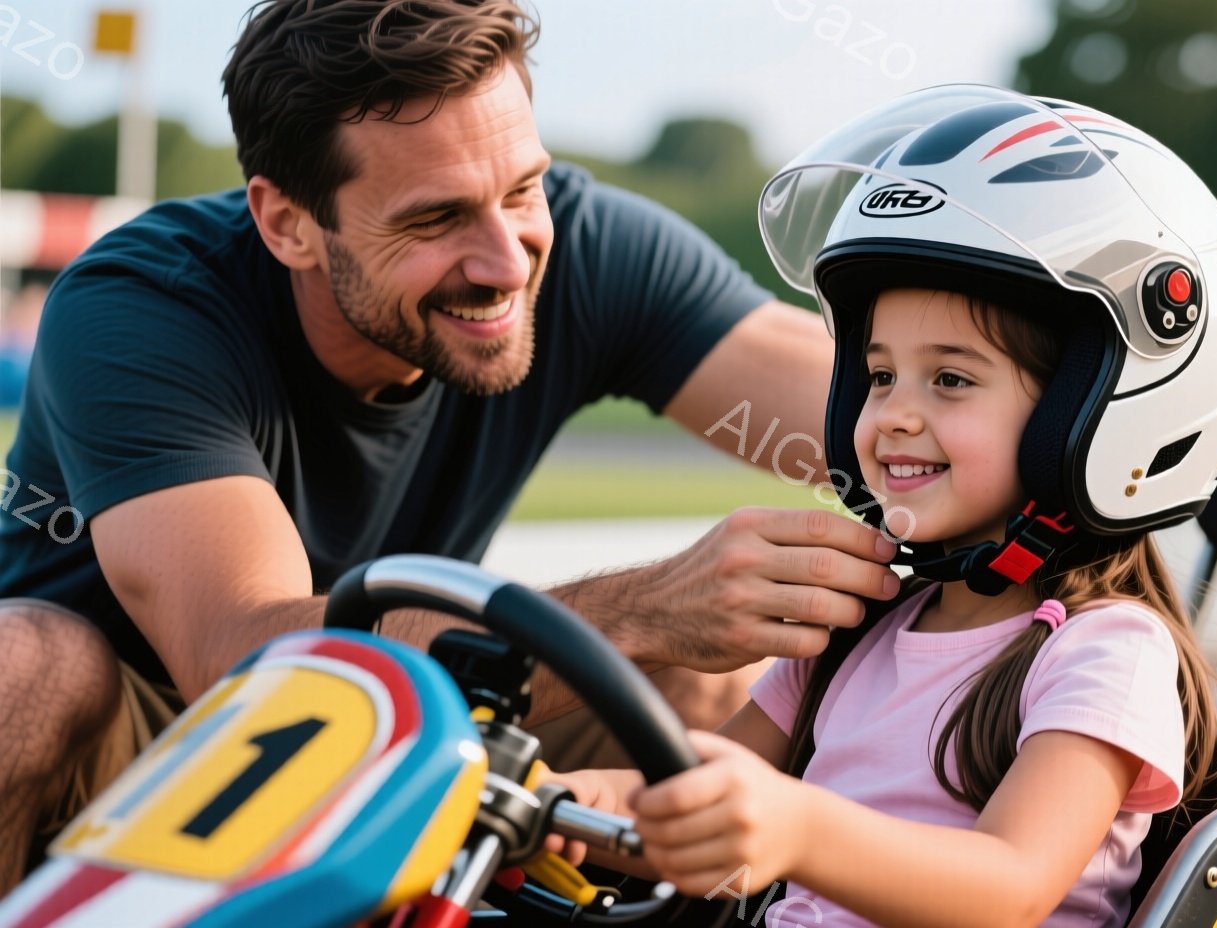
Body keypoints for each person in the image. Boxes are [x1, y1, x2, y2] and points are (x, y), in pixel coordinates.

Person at [0, 0, 903, 892]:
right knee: (25, 663)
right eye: (435, 220)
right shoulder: (143, 307)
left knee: (715, 689)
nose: (507, 262)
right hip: (150, 749)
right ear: (287, 223)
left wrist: (1033, 429)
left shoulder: (587, 248)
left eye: (522, 188)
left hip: (410, 724)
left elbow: (874, 411)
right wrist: (643, 607)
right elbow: (250, 666)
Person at [539, 86, 1217, 927]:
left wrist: (799, 827)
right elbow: (697, 802)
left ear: (1094, 411)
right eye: (880, 375)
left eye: (950, 379)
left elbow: (1008, 885)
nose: (894, 415)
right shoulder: (850, 632)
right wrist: (561, 801)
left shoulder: (1105, 654)